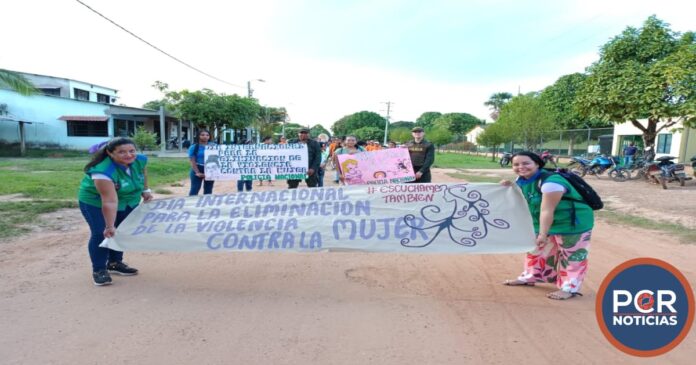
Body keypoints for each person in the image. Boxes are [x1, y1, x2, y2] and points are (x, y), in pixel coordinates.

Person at [500, 151, 594, 300]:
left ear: (537, 164)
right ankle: (532, 276)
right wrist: (510, 185)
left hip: (571, 223)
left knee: (571, 255)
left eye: (526, 163)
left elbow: (547, 210)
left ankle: (569, 287)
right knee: (536, 250)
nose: (520, 167)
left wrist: (543, 234)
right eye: (516, 164)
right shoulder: (523, 179)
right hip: (543, 222)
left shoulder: (551, 183)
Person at [78, 137, 153, 286]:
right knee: (102, 233)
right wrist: (109, 225)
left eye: (132, 151)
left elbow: (142, 173)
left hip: (128, 199)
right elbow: (109, 201)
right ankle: (99, 270)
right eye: (122, 152)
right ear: (110, 153)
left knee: (122, 230)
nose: (129, 155)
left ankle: (114, 263)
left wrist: (145, 189)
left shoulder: (140, 160)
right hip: (96, 202)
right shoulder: (103, 171)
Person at [188, 129, 215, 196]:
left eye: (207, 135)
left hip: (210, 169)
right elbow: (192, 160)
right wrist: (197, 172)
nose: (205, 136)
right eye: (202, 135)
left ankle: (206, 205)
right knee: (195, 189)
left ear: (209, 137)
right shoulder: (194, 147)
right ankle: (191, 205)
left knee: (208, 189)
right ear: (198, 136)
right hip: (197, 168)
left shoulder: (214, 146)